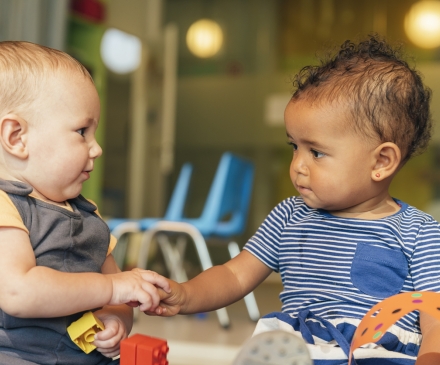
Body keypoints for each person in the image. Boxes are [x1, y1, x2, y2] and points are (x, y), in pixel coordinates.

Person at [152, 35, 440, 365]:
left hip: (377, 355)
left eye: (316, 152)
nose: (298, 166)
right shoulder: (289, 216)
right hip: (296, 353)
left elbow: (434, 316)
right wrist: (186, 294)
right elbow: (235, 276)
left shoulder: (420, 233)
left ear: (381, 162)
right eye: (294, 147)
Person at [0, 41, 171, 365]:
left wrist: (116, 318)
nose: (97, 148)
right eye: (82, 131)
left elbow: (117, 289)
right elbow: (18, 292)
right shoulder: (5, 206)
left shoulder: (88, 214)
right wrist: (110, 289)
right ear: (16, 138)